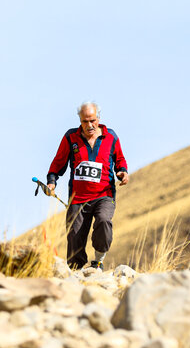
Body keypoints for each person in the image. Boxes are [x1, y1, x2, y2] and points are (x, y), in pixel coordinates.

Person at [46, 102, 129, 269]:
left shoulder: (111, 137)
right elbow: (58, 162)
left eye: (92, 120)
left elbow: (120, 159)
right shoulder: (71, 137)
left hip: (104, 195)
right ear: (80, 120)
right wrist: (51, 181)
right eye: (85, 121)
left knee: (104, 221)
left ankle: (98, 261)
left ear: (98, 118)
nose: (89, 125)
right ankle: (76, 272)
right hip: (78, 198)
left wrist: (123, 172)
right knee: (74, 236)